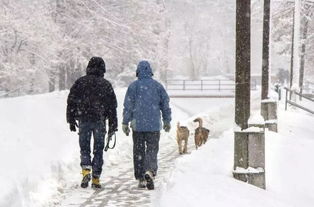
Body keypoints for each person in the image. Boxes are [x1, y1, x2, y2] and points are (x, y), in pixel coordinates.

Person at [66, 57, 118, 189]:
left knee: (84, 147)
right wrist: (113, 124)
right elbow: (112, 107)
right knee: (98, 149)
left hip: (83, 119)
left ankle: (86, 169)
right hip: (99, 121)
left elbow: (71, 101)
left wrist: (71, 119)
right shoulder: (106, 85)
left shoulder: (80, 82)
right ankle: (96, 178)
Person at [122, 60, 171, 190]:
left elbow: (128, 106)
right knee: (152, 149)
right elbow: (165, 104)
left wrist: (125, 122)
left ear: (138, 71)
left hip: (138, 125)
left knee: (138, 151)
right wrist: (167, 120)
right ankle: (149, 171)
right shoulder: (158, 86)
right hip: (154, 125)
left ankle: (140, 178)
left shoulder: (133, 86)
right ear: (150, 71)